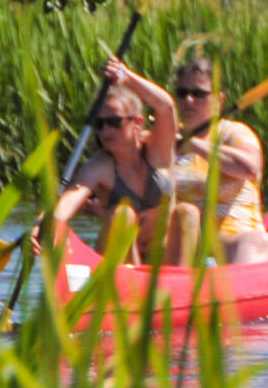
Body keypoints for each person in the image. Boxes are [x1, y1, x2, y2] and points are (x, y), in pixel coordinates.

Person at [52, 54, 198, 265]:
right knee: (123, 214)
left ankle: (183, 287)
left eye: (114, 122)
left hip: (163, 260)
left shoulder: (158, 149)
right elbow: (70, 199)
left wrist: (126, 76)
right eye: (100, 124)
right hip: (121, 265)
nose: (105, 130)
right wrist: (45, 224)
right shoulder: (100, 165)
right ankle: (131, 287)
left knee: (188, 212)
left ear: (137, 122)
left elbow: (166, 107)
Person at [165, 53, 268, 265]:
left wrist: (194, 144)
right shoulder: (167, 138)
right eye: (182, 93)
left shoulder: (235, 132)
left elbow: (249, 167)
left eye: (199, 94)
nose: (188, 100)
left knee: (253, 243)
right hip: (184, 247)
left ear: (219, 100)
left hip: (237, 244)